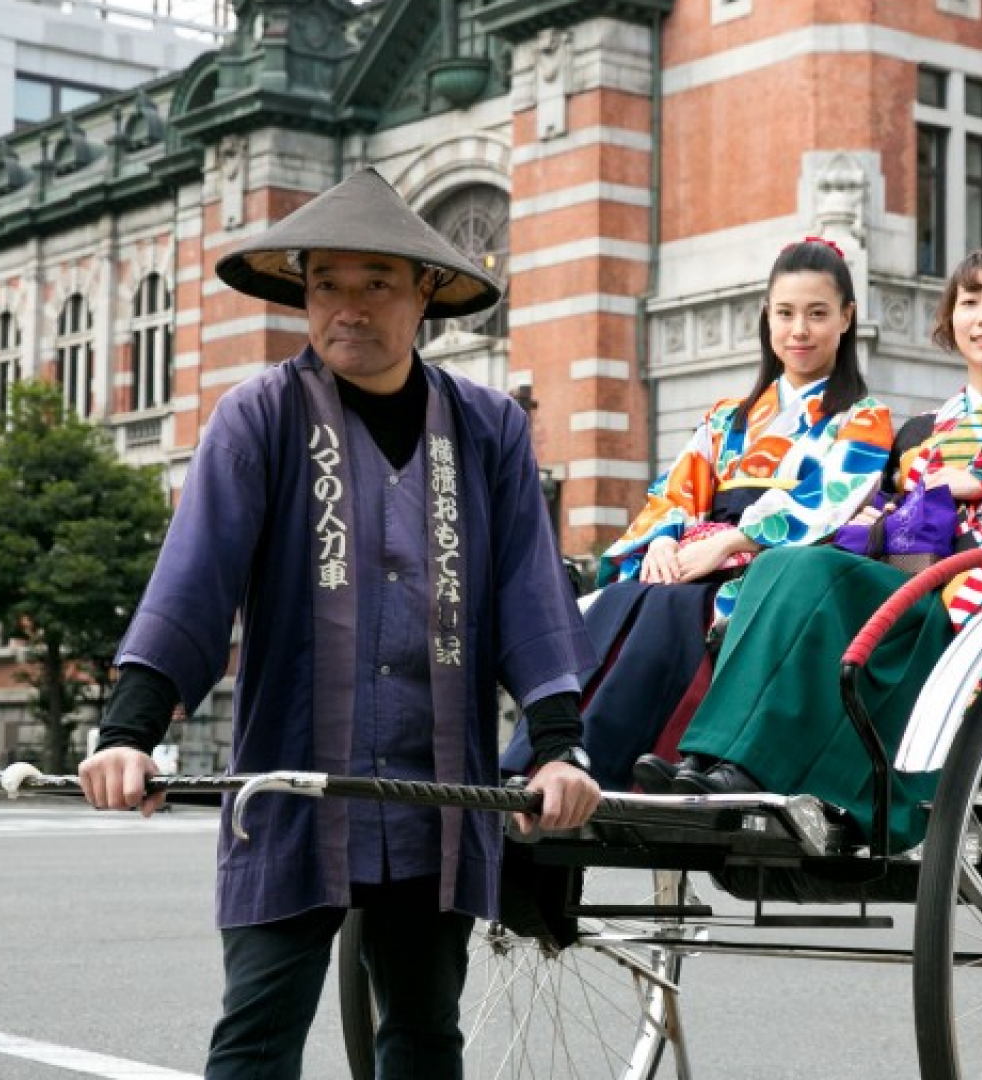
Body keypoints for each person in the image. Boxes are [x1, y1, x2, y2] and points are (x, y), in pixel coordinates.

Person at [77, 166, 600, 1080]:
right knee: (257, 1034)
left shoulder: (487, 429)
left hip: (437, 791)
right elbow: (195, 580)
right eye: (327, 284)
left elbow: (529, 590)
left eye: (376, 284)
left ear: (426, 293)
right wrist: (129, 730)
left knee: (426, 1033)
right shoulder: (261, 418)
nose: (347, 309)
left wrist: (558, 746)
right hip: (292, 783)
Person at [662, 247, 982, 853]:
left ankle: (745, 767)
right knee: (789, 564)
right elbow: (883, 521)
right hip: (910, 581)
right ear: (950, 321)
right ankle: (714, 761)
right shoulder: (924, 433)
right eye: (970, 302)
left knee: (815, 575)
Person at [501, 238, 893, 792]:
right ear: (767, 317)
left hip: (773, 567)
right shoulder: (726, 419)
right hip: (695, 557)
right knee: (622, 599)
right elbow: (674, 491)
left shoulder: (861, 417)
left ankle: (622, 765)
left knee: (671, 610)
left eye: (817, 313)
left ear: (847, 319)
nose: (799, 329)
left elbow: (830, 500)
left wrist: (733, 543)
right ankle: (548, 757)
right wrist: (661, 539)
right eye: (785, 313)